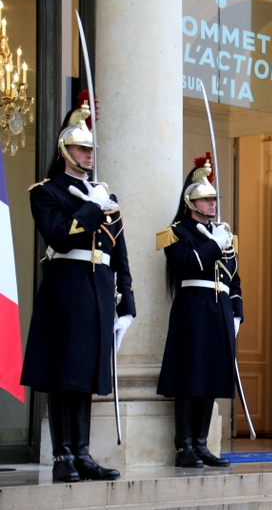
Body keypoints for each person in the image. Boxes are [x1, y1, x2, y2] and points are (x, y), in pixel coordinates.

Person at [20, 102, 135, 482]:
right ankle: (62, 454)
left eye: (90, 150)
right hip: (66, 285)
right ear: (65, 151)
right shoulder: (46, 192)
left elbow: (119, 251)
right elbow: (58, 236)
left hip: (99, 288)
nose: (88, 155)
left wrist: (127, 304)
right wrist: (89, 209)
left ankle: (83, 453)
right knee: (62, 371)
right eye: (82, 149)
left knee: (85, 373)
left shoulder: (103, 195)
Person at [156, 159, 242, 468]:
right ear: (191, 201)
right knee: (190, 376)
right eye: (206, 198)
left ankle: (202, 443)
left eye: (214, 199)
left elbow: (234, 278)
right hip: (193, 307)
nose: (212, 203)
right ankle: (184, 446)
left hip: (220, 309)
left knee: (212, 377)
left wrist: (237, 312)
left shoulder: (223, 234)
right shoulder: (176, 232)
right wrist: (214, 246)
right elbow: (184, 264)